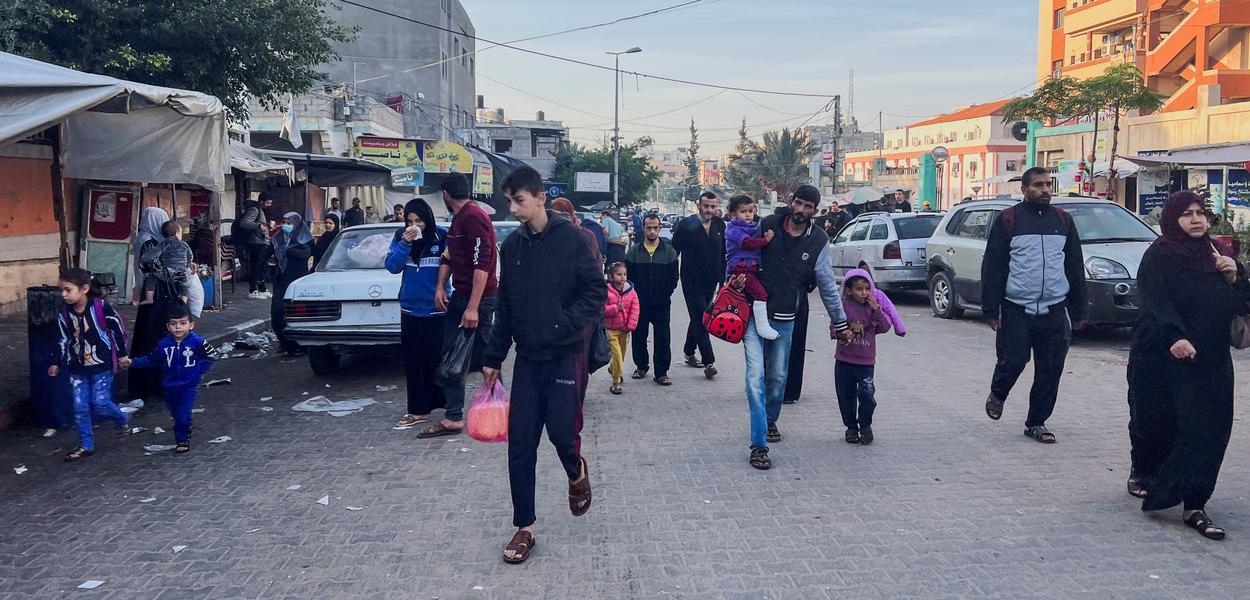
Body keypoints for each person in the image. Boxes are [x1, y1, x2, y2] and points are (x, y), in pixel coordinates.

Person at [480, 165, 604, 564]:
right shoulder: (512, 248)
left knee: (563, 435)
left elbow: (595, 291)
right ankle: (525, 527)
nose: (513, 208)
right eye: (509, 201)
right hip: (528, 361)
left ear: (539, 199)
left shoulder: (571, 239)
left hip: (565, 355)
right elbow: (506, 306)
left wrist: (563, 324)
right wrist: (493, 357)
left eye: (519, 200)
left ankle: (575, 471)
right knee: (521, 445)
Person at [1127, 191, 1248, 540]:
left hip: (1212, 357)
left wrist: (1237, 274)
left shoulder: (1218, 255)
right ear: (1172, 219)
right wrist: (1174, 336)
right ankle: (1155, 478)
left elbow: (1241, 303)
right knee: (1163, 423)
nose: (1196, 220)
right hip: (1167, 355)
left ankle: (1194, 502)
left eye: (1201, 213)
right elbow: (1153, 301)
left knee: (1212, 429)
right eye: (1187, 214)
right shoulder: (1160, 254)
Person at [735, 185, 849, 470]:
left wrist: (840, 321)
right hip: (753, 311)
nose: (801, 210)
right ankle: (758, 445)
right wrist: (734, 276)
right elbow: (742, 251)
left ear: (814, 210)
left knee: (777, 377)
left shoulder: (819, 240)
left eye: (808, 207)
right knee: (754, 378)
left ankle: (770, 419)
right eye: (798, 203)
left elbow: (827, 285)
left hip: (786, 316)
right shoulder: (768, 224)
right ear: (790, 202)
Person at [981, 166, 1086, 443]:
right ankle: (998, 392)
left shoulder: (1063, 220)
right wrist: (991, 308)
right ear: (1024, 189)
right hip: (1017, 307)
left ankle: (1036, 422)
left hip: (1053, 307)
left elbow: (1074, 265)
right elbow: (992, 265)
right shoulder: (1009, 219)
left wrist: (1079, 308)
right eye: (1038, 185)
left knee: (1050, 368)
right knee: (1014, 360)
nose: (1045, 190)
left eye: (1048, 185)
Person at [420, 174, 498, 439]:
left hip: (478, 300)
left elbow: (483, 264)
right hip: (461, 296)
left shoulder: (474, 217)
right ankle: (454, 416)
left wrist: (473, 307)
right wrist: (440, 286)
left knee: (487, 357)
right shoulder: (458, 219)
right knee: (454, 357)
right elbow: (448, 256)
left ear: (445, 194)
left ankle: (495, 412)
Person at [49, 268, 130, 461]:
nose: (64, 294)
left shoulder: (100, 307)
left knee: (100, 402)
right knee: (79, 406)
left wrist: (122, 355)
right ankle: (86, 444)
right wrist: (55, 362)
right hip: (76, 366)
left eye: (68, 290)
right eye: (62, 290)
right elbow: (62, 339)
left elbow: (117, 330)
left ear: (84, 288)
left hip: (101, 364)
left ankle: (122, 419)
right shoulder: (64, 314)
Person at [386, 199, 450, 428]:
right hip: (410, 309)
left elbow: (454, 265)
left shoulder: (441, 238)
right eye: (410, 221)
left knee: (437, 361)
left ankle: (447, 406)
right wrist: (404, 243)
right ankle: (417, 409)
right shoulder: (400, 237)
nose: (414, 225)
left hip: (436, 311)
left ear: (428, 220)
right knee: (413, 362)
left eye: (419, 221)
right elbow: (392, 266)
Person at [122, 305, 215, 454]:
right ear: (168, 326)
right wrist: (133, 362)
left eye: (183, 323)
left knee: (182, 413)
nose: (178, 327)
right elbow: (152, 360)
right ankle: (184, 425)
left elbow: (211, 356)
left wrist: (199, 371)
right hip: (169, 386)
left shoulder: (197, 342)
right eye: (173, 324)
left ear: (191, 325)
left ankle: (182, 440)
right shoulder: (164, 344)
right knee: (175, 412)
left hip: (188, 386)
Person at [835, 269, 893, 445]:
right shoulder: (844, 306)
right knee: (846, 396)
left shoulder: (874, 307)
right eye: (859, 289)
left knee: (867, 394)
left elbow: (884, 327)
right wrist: (842, 334)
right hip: (844, 360)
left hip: (866, 362)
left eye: (867, 289)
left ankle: (865, 425)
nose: (864, 293)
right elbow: (834, 326)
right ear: (849, 290)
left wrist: (876, 310)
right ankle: (851, 427)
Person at [671, 191, 725, 378]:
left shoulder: (720, 225)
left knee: (698, 316)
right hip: (690, 279)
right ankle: (709, 361)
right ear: (698, 205)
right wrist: (670, 278)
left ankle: (688, 351)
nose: (709, 210)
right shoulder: (686, 226)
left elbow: (723, 254)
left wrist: (723, 280)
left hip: (711, 281)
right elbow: (673, 253)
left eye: (713, 206)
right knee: (703, 317)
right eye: (706, 206)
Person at [625, 214, 680, 386]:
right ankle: (641, 366)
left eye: (655, 227)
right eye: (648, 227)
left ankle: (661, 372)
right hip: (639, 303)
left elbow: (673, 277)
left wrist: (665, 294)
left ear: (659, 227)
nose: (652, 231)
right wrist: (633, 297)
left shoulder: (669, 252)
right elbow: (628, 277)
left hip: (661, 303)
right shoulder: (634, 252)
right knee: (639, 335)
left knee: (663, 337)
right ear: (643, 228)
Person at [130, 207, 174, 399]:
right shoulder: (148, 242)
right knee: (152, 338)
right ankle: (150, 383)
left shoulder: (147, 238)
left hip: (153, 294)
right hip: (154, 296)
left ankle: (150, 382)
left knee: (149, 337)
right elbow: (154, 270)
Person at [724, 194, 780, 340]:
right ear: (732, 215)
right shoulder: (733, 230)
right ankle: (762, 326)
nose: (748, 214)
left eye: (750, 211)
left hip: (751, 269)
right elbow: (747, 243)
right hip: (742, 269)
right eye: (743, 211)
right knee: (761, 295)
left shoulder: (752, 227)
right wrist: (766, 240)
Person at [267, 212, 314, 356]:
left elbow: (306, 254)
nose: (286, 226)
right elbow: (266, 254)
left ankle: (301, 345)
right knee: (277, 314)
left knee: (299, 316)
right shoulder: (278, 238)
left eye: (289, 223)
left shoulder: (305, 239)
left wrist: (288, 250)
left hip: (299, 282)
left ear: (297, 224)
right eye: (285, 222)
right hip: (281, 281)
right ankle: (285, 343)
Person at [603, 262, 640, 395]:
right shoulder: (606, 292)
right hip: (612, 329)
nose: (622, 277)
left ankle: (613, 368)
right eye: (619, 274)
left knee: (622, 355)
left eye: (624, 274)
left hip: (625, 329)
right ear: (612, 276)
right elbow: (602, 309)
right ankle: (616, 382)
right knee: (617, 354)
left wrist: (630, 326)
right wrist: (615, 308)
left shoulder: (631, 292)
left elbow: (635, 310)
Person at [139, 221, 193, 306]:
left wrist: (143, 259)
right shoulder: (184, 244)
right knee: (186, 283)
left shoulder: (164, 244)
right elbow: (190, 256)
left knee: (152, 277)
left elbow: (153, 253)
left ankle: (149, 298)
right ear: (177, 233)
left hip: (166, 272)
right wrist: (187, 265)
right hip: (181, 273)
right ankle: (183, 300)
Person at [237, 194, 272, 299]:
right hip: (256, 243)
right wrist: (259, 226)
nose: (269, 205)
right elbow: (244, 223)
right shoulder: (254, 210)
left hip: (261, 242)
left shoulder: (260, 211)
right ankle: (253, 290)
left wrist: (266, 225)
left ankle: (262, 288)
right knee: (256, 267)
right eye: (268, 203)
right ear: (261, 201)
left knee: (262, 267)